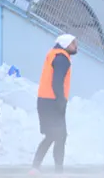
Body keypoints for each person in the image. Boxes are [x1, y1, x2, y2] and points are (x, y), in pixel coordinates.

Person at [32, 35, 77, 173]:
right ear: (65, 44)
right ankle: (58, 170)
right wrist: (61, 100)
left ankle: (35, 167)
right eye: (73, 43)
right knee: (60, 136)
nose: (76, 46)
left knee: (52, 135)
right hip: (53, 101)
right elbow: (57, 81)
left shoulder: (53, 55)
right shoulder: (62, 59)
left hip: (44, 100)